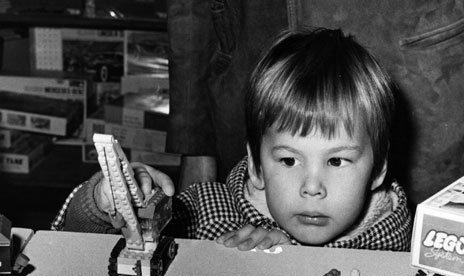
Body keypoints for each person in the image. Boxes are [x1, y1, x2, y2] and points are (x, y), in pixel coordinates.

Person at [52, 28, 412, 251]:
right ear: (256, 166)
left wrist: (295, 254)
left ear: (378, 169)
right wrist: (107, 199)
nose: (312, 187)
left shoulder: (399, 238)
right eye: (288, 160)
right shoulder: (207, 212)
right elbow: (76, 245)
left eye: (336, 161)